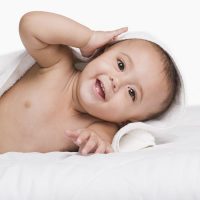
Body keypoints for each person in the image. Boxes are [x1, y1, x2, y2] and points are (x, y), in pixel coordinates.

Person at [0, 11, 180, 155]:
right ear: (102, 52)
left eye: (132, 92)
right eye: (120, 64)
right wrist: (87, 38)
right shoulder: (58, 65)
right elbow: (31, 24)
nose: (116, 81)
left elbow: (102, 140)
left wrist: (97, 142)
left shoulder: (100, 127)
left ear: (128, 121)